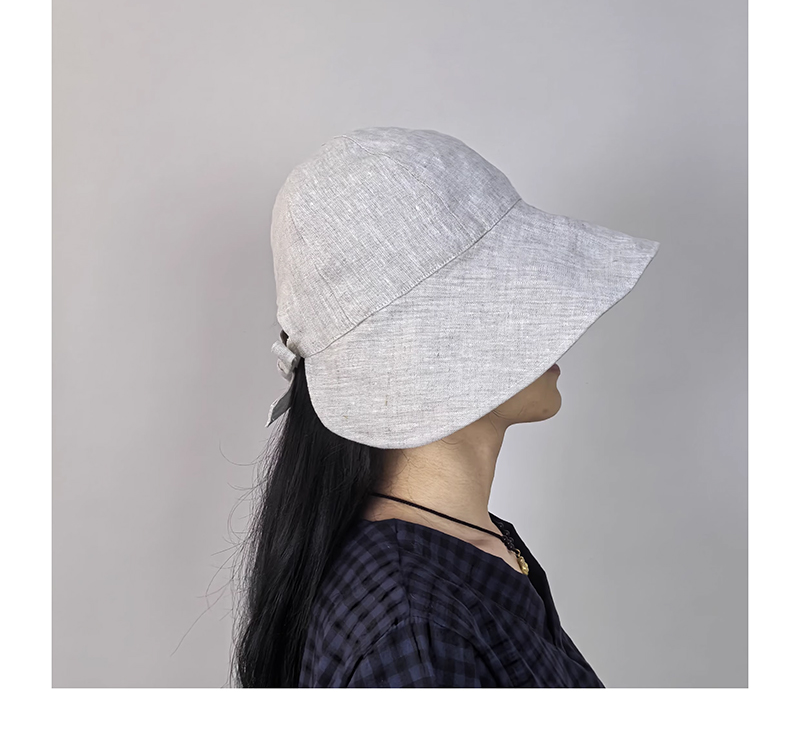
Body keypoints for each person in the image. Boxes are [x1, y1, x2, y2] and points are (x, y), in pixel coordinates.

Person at [230, 127, 659, 687]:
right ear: (430, 345)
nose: (557, 330)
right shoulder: (416, 626)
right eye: (510, 295)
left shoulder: (462, 549)